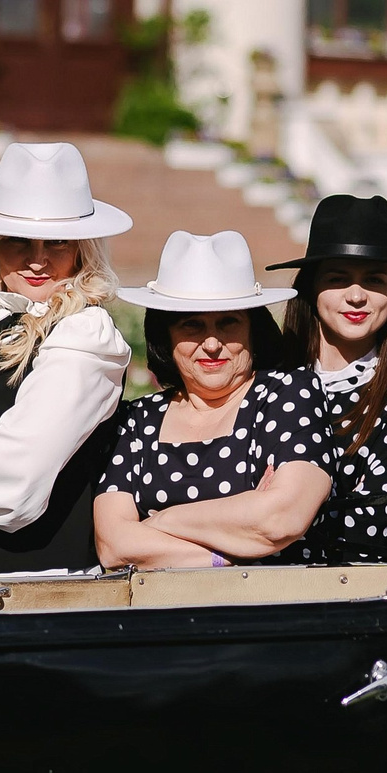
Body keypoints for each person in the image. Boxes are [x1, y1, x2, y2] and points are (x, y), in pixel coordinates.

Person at [0, 142, 133, 576]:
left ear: (81, 249)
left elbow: (12, 489)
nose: (38, 260)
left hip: (37, 587)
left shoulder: (85, 334)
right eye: (19, 240)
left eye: (57, 242)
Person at [93, 231, 335, 569]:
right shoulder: (137, 419)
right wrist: (225, 556)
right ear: (166, 337)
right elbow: (114, 546)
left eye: (228, 323)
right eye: (191, 325)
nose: (211, 344)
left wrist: (161, 522)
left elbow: (282, 520)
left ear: (253, 329)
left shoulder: (290, 395)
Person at [265, 194, 387, 564]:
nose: (356, 296)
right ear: (312, 288)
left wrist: (270, 512)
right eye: (338, 278)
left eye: (374, 280)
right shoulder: (265, 380)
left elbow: (366, 528)